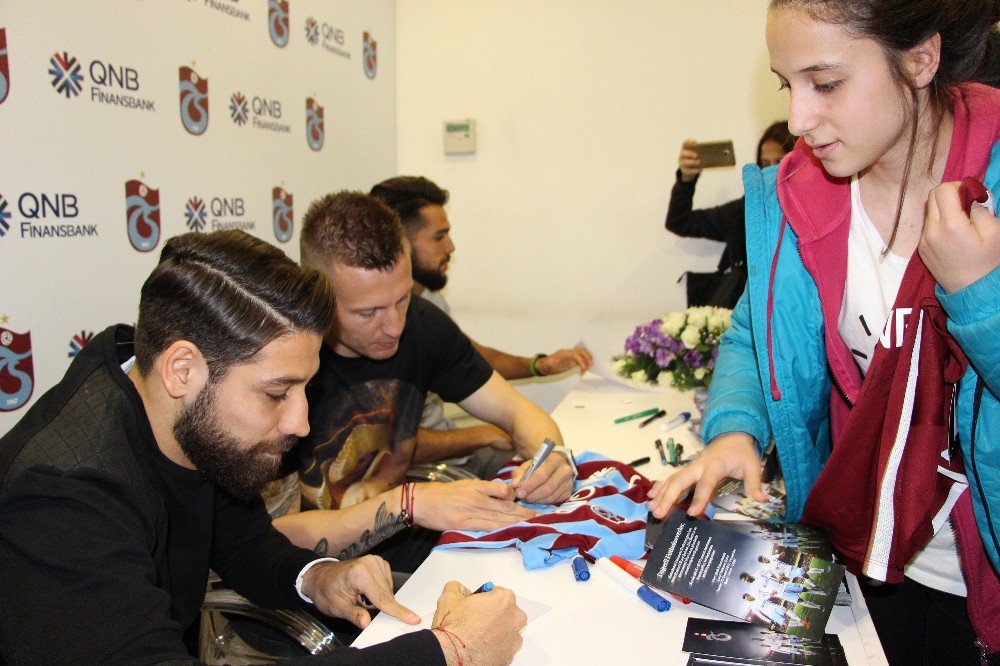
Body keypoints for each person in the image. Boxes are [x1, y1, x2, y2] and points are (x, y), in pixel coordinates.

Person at [648, 1, 1000, 664]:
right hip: (866, 559)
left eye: (827, 84)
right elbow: (758, 331)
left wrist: (981, 298)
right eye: (788, 86)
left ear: (920, 59)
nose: (799, 120)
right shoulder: (802, 197)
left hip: (984, 582)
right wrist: (733, 428)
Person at [0, 230, 526, 664]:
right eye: (277, 393)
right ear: (182, 369)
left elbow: (243, 542)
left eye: (305, 389)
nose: (300, 422)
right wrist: (448, 653)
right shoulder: (61, 501)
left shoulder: (182, 414)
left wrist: (319, 577)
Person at [273, 192, 576, 572]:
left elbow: (517, 411)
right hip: (314, 575)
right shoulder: (280, 368)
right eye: (369, 313)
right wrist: (410, 503)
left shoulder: (422, 324)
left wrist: (553, 459)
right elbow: (269, 540)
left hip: (400, 541)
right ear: (318, 297)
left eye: (401, 300)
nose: (395, 327)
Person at [369, 175, 593, 477]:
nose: (451, 247)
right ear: (401, 245)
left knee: (573, 469)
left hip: (456, 456)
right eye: (439, 237)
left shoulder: (430, 303)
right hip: (417, 474)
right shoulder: (376, 331)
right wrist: (484, 433)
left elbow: (470, 359)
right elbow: (386, 445)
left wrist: (538, 365)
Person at [666, 122, 795, 308]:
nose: (770, 171)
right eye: (764, 164)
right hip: (742, 318)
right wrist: (687, 179)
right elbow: (679, 221)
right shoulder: (744, 211)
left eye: (779, 162)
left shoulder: (809, 215)